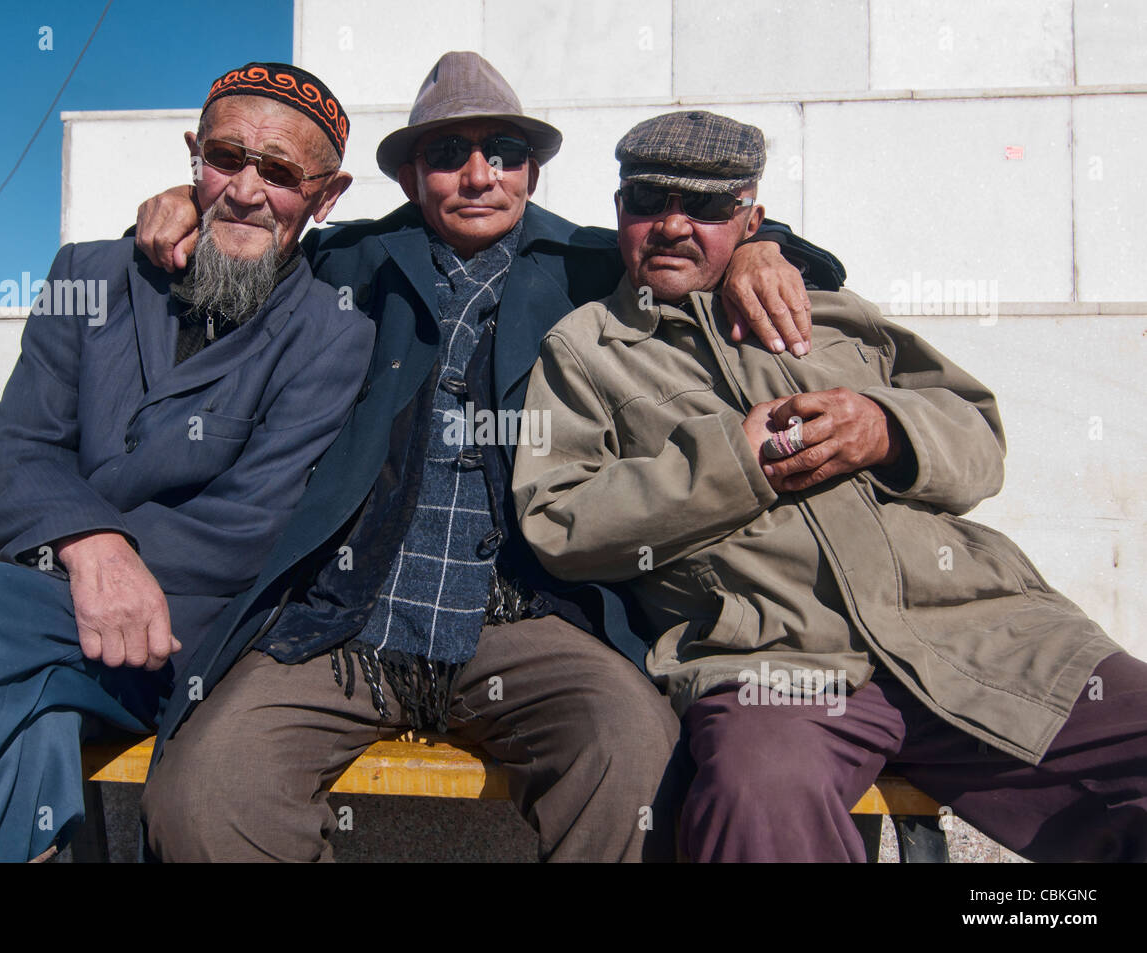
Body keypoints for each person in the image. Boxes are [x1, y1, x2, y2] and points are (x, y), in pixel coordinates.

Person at [133, 52, 847, 861]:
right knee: (204, 794)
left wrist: (763, 245)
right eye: (448, 154)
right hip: (345, 615)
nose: (479, 176)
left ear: (532, 172)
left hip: (525, 616)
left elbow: (743, 256)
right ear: (410, 177)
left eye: (504, 153)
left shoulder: (589, 266)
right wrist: (184, 206)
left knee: (633, 755)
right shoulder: (350, 262)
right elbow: (237, 243)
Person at [513, 109, 1147, 862]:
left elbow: (979, 440)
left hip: (976, 631)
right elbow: (560, 522)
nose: (673, 225)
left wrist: (887, 426)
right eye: (649, 201)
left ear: (750, 218)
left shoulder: (833, 311)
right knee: (757, 800)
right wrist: (734, 462)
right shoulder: (586, 350)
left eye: (707, 206)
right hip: (775, 663)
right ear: (619, 209)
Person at [0, 62, 374, 862]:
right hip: (58, 616)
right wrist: (83, 547)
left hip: (185, 639)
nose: (246, 190)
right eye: (226, 157)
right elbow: (10, 451)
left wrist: (33, 568)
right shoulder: (88, 274)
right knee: (31, 730)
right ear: (194, 155)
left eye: (279, 172)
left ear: (326, 196)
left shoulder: (334, 333)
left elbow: (244, 529)